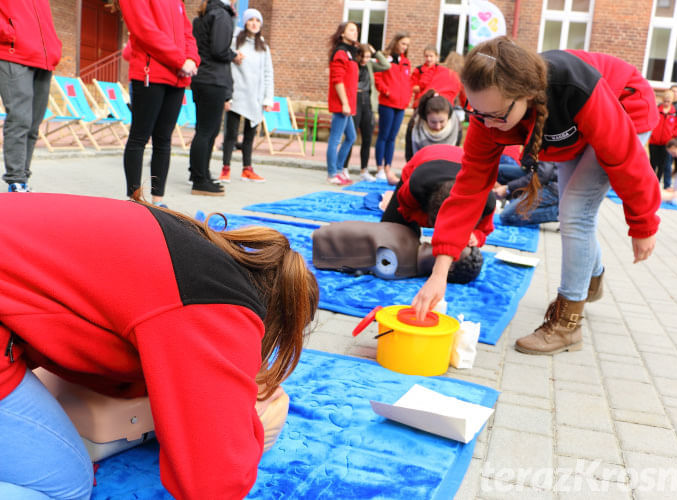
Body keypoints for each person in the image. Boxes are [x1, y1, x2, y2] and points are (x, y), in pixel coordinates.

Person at [0, 192, 319, 499]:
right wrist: (245, 427)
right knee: (62, 487)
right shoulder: (218, 307)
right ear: (273, 325)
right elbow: (214, 484)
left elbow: (103, 353)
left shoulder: (188, 251)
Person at [412, 37, 661, 355]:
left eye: (497, 116)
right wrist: (439, 271)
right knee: (575, 210)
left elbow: (626, 158)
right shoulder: (490, 115)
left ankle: (567, 326)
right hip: (571, 127)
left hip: (625, 106)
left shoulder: (573, 86)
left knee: (575, 211)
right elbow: (468, 191)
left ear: (525, 95)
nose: (488, 124)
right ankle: (591, 279)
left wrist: (642, 223)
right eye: (478, 112)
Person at [119, 0, 199, 207]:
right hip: (150, 74)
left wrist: (192, 59)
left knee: (163, 140)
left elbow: (187, 33)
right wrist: (181, 60)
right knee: (139, 137)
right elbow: (145, 30)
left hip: (178, 77)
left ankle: (158, 202)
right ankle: (135, 200)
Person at [0, 1, 62, 193]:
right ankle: (16, 180)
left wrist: (54, 46)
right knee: (20, 119)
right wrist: (9, 32)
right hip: (13, 53)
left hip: (43, 57)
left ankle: (23, 178)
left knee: (33, 125)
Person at [190, 0, 240, 196]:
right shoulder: (221, 15)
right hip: (213, 79)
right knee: (207, 132)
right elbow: (219, 50)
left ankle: (200, 174)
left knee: (203, 131)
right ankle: (200, 180)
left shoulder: (204, 15)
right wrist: (234, 55)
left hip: (202, 78)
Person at [220, 8, 273, 184]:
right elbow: (227, 66)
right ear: (245, 22)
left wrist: (267, 98)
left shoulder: (263, 46)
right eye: (251, 20)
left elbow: (268, 73)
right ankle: (225, 168)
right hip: (236, 94)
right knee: (231, 134)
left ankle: (247, 169)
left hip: (255, 97)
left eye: (257, 21)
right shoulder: (236, 42)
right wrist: (227, 95)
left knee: (250, 136)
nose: (254, 24)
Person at [343, 43, 390, 181]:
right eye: (362, 57)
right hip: (355, 100)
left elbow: (386, 65)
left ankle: (364, 170)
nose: (364, 60)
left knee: (367, 138)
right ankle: (344, 168)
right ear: (357, 56)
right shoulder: (352, 65)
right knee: (351, 137)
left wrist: (375, 53)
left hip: (367, 102)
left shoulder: (370, 65)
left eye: (368, 57)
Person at [374, 32, 412, 183]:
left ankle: (388, 167)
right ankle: (379, 168)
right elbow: (377, 78)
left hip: (401, 105)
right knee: (383, 135)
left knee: (392, 138)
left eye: (407, 45)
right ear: (396, 42)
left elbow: (407, 82)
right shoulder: (384, 58)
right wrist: (386, 91)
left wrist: (407, 97)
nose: (405, 47)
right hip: (387, 103)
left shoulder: (406, 61)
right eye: (403, 43)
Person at [326, 21, 359, 186]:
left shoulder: (350, 53)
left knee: (351, 137)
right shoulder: (340, 53)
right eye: (351, 30)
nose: (355, 33)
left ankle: (339, 169)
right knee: (336, 138)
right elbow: (337, 81)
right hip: (342, 104)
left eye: (356, 30)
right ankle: (332, 173)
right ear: (342, 34)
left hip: (349, 103)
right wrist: (345, 103)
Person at [494, 161, 559, 226]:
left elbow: (542, 175)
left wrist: (508, 188)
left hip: (553, 186)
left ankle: (559, 213)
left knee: (507, 217)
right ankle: (512, 198)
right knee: (497, 171)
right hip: (540, 173)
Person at [404, 90, 462, 162]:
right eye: (433, 122)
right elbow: (409, 157)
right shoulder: (414, 125)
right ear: (425, 118)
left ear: (448, 117)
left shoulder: (456, 129)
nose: (438, 126)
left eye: (442, 122)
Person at [648, 89, 677, 189]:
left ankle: (657, 183)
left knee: (662, 165)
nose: (666, 103)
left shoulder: (675, 112)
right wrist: (652, 134)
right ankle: (649, 182)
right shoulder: (657, 109)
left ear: (672, 101)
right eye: (665, 101)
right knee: (652, 163)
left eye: (669, 101)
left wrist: (672, 136)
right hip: (654, 141)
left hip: (666, 144)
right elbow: (651, 121)